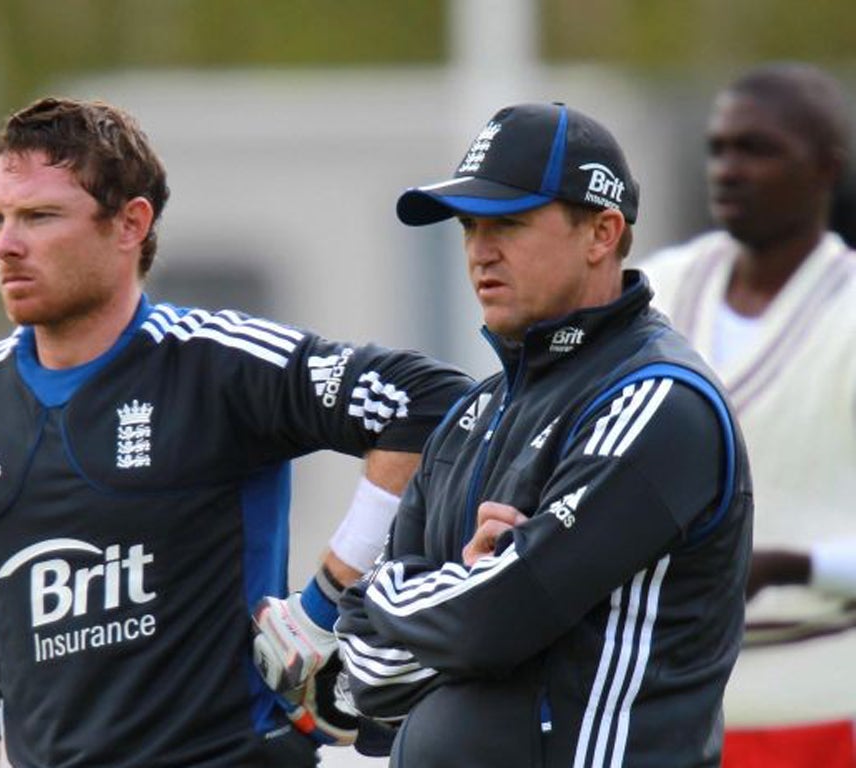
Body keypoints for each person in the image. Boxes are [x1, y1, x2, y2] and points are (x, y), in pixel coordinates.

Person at [0, 96, 473, 768]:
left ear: (129, 224)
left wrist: (329, 598)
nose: (7, 244)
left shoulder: (217, 364)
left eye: (40, 217)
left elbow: (431, 401)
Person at [334, 102, 754, 767]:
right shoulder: (470, 417)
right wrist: (462, 589)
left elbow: (492, 620)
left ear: (602, 232)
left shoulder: (657, 400)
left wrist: (401, 594)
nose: (479, 252)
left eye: (509, 223)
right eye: (470, 226)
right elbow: (365, 674)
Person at [641, 62, 856, 767]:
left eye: (758, 150)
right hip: (662, 706)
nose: (728, 169)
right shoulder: (658, 290)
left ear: (827, 168)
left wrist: (795, 566)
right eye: (718, 148)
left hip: (822, 707)